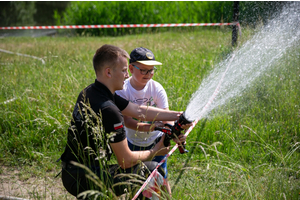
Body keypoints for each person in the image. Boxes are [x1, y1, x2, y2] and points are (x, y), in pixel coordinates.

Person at [59, 44, 188, 199]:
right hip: (84, 179)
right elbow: (125, 161)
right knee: (151, 170)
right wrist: (156, 151)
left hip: (71, 172)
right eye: (123, 70)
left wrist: (178, 116)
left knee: (144, 170)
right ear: (108, 72)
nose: (127, 75)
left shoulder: (91, 92)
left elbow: (138, 111)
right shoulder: (109, 110)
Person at [116, 47, 176, 197]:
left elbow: (167, 117)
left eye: (152, 70)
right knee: (135, 180)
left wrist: (171, 133)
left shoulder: (157, 89)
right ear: (130, 68)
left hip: (156, 141)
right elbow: (128, 122)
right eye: (143, 70)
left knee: (162, 176)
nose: (148, 74)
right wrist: (152, 126)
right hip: (132, 143)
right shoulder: (123, 90)